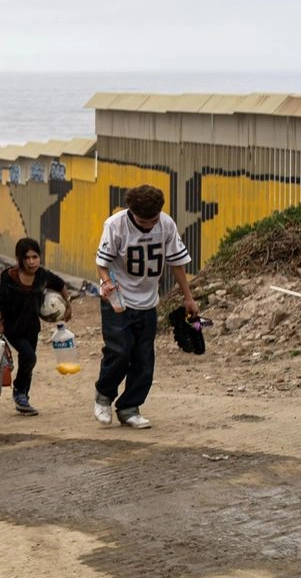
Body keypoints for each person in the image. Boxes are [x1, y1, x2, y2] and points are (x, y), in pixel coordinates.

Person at [94, 184, 199, 429]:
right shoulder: (115, 225)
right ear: (131, 212)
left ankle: (129, 407)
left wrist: (188, 297)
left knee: (144, 358)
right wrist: (107, 282)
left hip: (148, 302)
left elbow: (177, 263)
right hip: (118, 300)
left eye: (153, 220)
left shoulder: (166, 225)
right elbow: (101, 262)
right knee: (119, 351)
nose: (149, 225)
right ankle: (103, 396)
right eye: (144, 220)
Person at [0, 237, 71, 416]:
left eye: (35, 257)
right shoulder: (9, 277)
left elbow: (60, 284)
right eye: (27, 258)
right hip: (13, 327)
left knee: (28, 361)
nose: (31, 261)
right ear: (20, 259)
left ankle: (23, 398)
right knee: (29, 356)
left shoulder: (42, 276)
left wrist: (68, 304)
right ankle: (19, 393)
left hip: (32, 328)